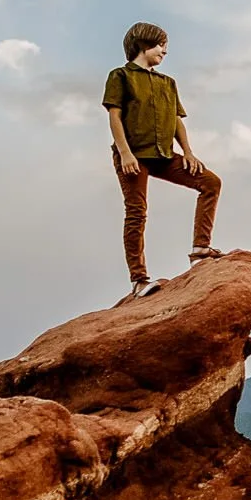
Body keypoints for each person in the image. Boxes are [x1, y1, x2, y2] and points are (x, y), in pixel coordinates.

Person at [102, 23, 223, 297]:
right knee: (136, 212)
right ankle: (139, 279)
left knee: (210, 182)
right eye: (161, 45)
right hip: (133, 156)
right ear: (144, 45)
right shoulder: (120, 76)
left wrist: (189, 153)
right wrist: (125, 153)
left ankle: (200, 249)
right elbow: (114, 116)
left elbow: (177, 121)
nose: (165, 50)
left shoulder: (167, 82)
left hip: (164, 155)